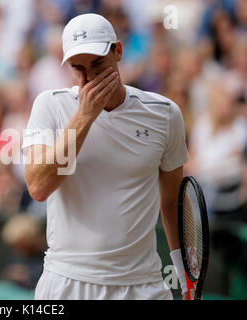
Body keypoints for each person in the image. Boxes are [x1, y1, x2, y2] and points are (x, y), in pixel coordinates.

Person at [23, 14, 189, 300]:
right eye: (78, 68)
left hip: (143, 285)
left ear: (119, 51)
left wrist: (185, 276)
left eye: (98, 64)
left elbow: (173, 203)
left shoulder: (165, 114)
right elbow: (38, 186)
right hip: (67, 283)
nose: (89, 78)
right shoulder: (49, 104)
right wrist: (85, 116)